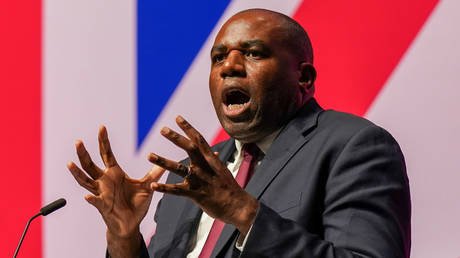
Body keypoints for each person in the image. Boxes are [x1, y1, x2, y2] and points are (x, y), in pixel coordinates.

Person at [68, 8, 411, 258]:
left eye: (252, 53)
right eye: (218, 58)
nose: (229, 66)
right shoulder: (194, 174)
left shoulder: (352, 146)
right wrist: (124, 236)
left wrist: (243, 212)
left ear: (303, 78)